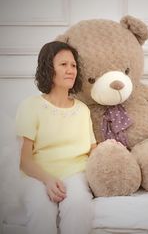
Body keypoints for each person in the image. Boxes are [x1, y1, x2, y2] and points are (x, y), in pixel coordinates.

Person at [16, 41, 97, 234]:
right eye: (63, 65)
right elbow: (24, 160)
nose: (71, 70)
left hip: (76, 174)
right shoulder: (30, 106)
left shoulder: (82, 110)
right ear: (48, 68)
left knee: (79, 205)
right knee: (41, 208)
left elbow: (93, 150)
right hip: (38, 175)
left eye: (73, 65)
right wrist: (48, 180)